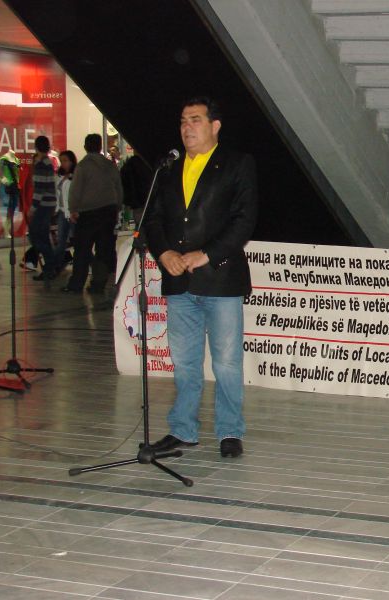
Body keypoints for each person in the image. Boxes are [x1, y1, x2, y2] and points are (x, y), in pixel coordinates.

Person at [144, 96, 258, 458]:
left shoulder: (237, 164)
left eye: (195, 119)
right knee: (184, 362)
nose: (186, 127)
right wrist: (164, 253)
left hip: (220, 279)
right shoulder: (169, 168)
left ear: (215, 126)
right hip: (179, 281)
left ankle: (229, 431)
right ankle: (183, 430)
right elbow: (152, 219)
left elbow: (244, 220)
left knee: (226, 362)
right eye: (182, 121)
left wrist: (205, 253)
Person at [63, 134, 123, 293]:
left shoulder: (83, 166)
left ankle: (76, 284)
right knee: (104, 250)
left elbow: (75, 190)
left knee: (82, 250)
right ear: (100, 146)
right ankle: (98, 284)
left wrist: (73, 209)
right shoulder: (109, 165)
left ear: (85, 147)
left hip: (88, 213)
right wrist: (117, 207)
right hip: (108, 211)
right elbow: (118, 187)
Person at [30, 136, 58, 283]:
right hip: (49, 204)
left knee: (36, 236)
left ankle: (51, 264)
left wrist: (33, 207)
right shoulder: (48, 162)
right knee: (43, 237)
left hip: (43, 205)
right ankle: (49, 269)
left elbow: (40, 188)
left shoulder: (41, 164)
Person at [53, 150, 77, 276]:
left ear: (72, 161)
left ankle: (89, 265)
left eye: (65, 161)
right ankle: (56, 266)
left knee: (77, 241)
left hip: (73, 212)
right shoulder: (59, 176)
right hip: (62, 212)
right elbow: (58, 194)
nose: (63, 163)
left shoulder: (76, 175)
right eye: (61, 161)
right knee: (61, 241)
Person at [0, 149, 20, 238]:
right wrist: (1, 179)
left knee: (13, 209)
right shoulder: (4, 159)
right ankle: (6, 231)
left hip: (15, 187)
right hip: (6, 187)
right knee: (6, 209)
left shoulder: (17, 159)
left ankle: (7, 229)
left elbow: (18, 174)